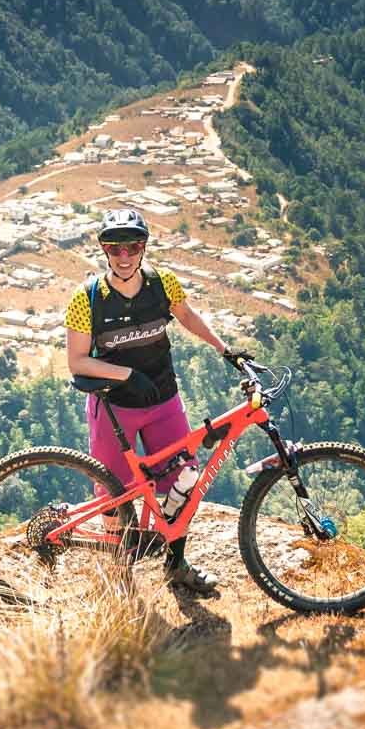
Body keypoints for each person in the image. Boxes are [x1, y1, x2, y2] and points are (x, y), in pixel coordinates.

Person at [65, 206, 250, 598]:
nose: (125, 255)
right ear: (104, 250)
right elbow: (77, 361)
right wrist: (127, 374)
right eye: (115, 248)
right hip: (114, 408)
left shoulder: (162, 283)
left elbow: (187, 315)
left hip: (163, 399)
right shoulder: (88, 298)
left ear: (144, 247)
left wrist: (224, 349)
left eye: (133, 246)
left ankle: (176, 565)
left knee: (184, 481)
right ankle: (118, 579)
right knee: (115, 496)